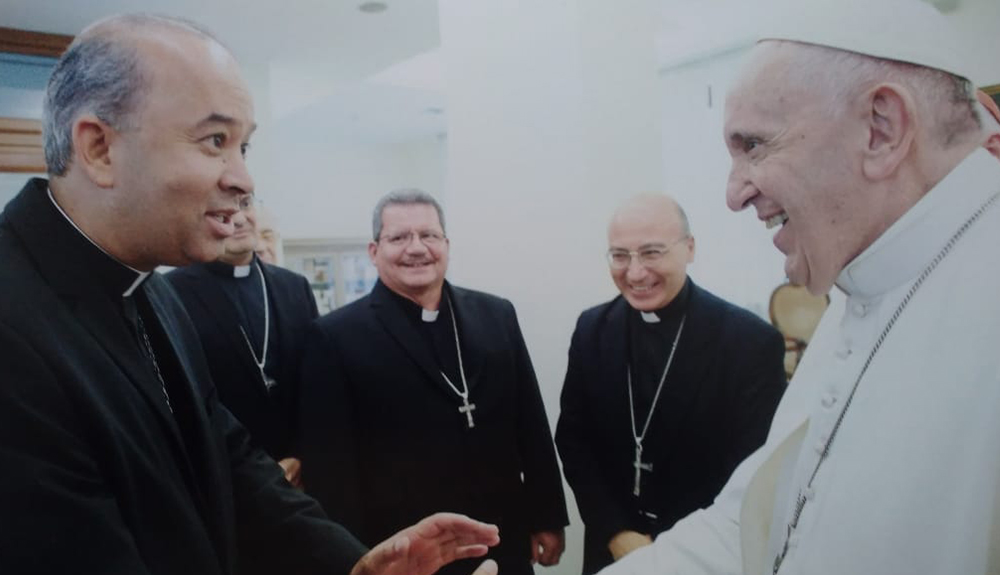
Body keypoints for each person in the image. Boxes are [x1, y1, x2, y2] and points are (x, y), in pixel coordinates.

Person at [0, 14, 499, 575]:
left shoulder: (154, 292)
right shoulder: (13, 327)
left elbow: (229, 460)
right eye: (215, 140)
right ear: (99, 148)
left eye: (244, 146)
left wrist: (356, 566)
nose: (243, 180)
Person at [601, 1, 1000, 574]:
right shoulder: (858, 290)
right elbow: (752, 528)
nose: (734, 194)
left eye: (754, 145)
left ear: (881, 129)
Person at [298, 189, 570, 575]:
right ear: (374, 251)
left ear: (446, 245)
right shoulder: (335, 337)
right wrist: (355, 559)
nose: (416, 248)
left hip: (500, 535)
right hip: (407, 550)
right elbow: (332, 470)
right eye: (399, 237)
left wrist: (547, 514)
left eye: (428, 235)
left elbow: (530, 422)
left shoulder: (496, 314)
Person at [555, 194, 786, 574]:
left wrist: (671, 552)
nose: (635, 273)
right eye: (620, 256)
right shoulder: (592, 330)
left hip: (702, 559)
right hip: (613, 554)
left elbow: (752, 471)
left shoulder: (749, 342)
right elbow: (574, 442)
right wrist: (617, 533)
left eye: (651, 253)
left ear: (689, 248)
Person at [167, 195, 314, 487]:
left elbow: (317, 382)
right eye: (221, 211)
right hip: (225, 476)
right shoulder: (171, 292)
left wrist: (303, 453)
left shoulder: (294, 286)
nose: (238, 217)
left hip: (302, 471)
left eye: (245, 204)